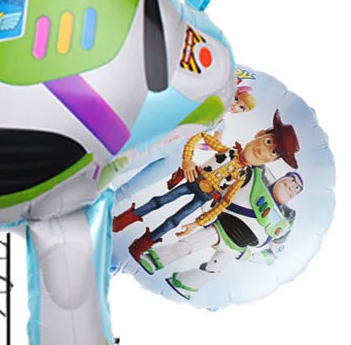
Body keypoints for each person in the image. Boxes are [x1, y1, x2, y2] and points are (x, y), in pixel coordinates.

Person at [116, 110, 300, 267]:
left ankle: (140, 247)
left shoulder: (242, 177)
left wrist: (198, 223)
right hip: (194, 180)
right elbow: (200, 136)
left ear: (272, 160)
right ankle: (120, 221)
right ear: (259, 134)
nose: (264, 150)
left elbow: (224, 202)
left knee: (174, 221)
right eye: (268, 141)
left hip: (204, 197)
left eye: (273, 152)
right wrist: (187, 160)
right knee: (160, 201)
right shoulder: (226, 151)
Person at [149, 170, 304, 299]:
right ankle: (153, 259)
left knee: (212, 271)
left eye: (296, 188)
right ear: (282, 178)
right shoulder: (253, 178)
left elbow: (272, 255)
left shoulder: (285, 222)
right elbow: (220, 189)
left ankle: (184, 285)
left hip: (236, 248)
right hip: (219, 228)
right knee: (187, 246)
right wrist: (208, 213)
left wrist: (249, 256)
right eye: (291, 180)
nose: (291, 187)